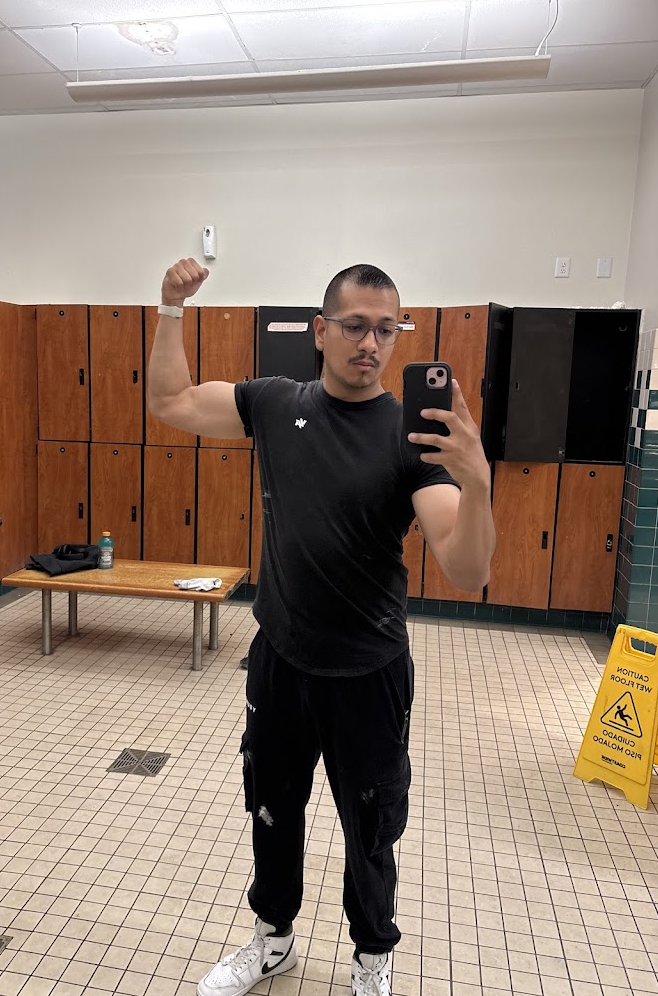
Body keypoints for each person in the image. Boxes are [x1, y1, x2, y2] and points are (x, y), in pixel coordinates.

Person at [148, 258, 496, 996]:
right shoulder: (276, 403)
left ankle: (371, 958)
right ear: (320, 330)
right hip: (281, 659)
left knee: (371, 828)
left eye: (387, 329)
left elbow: (467, 569)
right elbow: (171, 401)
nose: (371, 343)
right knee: (272, 808)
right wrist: (171, 308)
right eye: (355, 326)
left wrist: (478, 485)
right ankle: (272, 941)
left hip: (369, 673)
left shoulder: (411, 435)